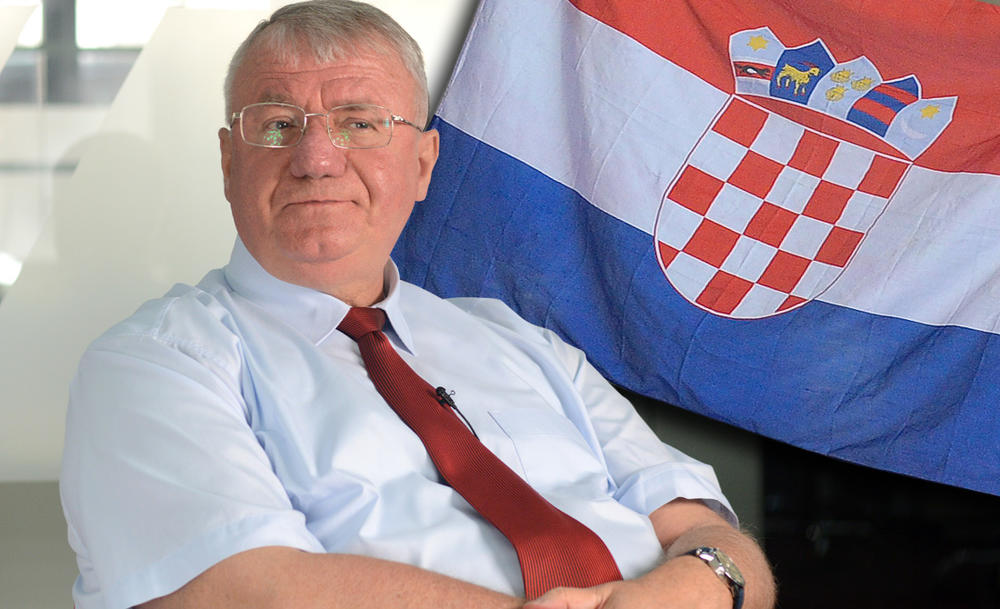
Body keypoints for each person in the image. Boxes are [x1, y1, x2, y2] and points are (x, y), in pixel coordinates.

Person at [59, 2, 776, 608]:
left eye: (359, 122)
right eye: (277, 124)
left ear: (424, 164)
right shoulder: (155, 363)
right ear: (227, 163)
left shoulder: (521, 342)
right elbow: (244, 589)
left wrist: (698, 584)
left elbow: (705, 530)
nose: (316, 158)